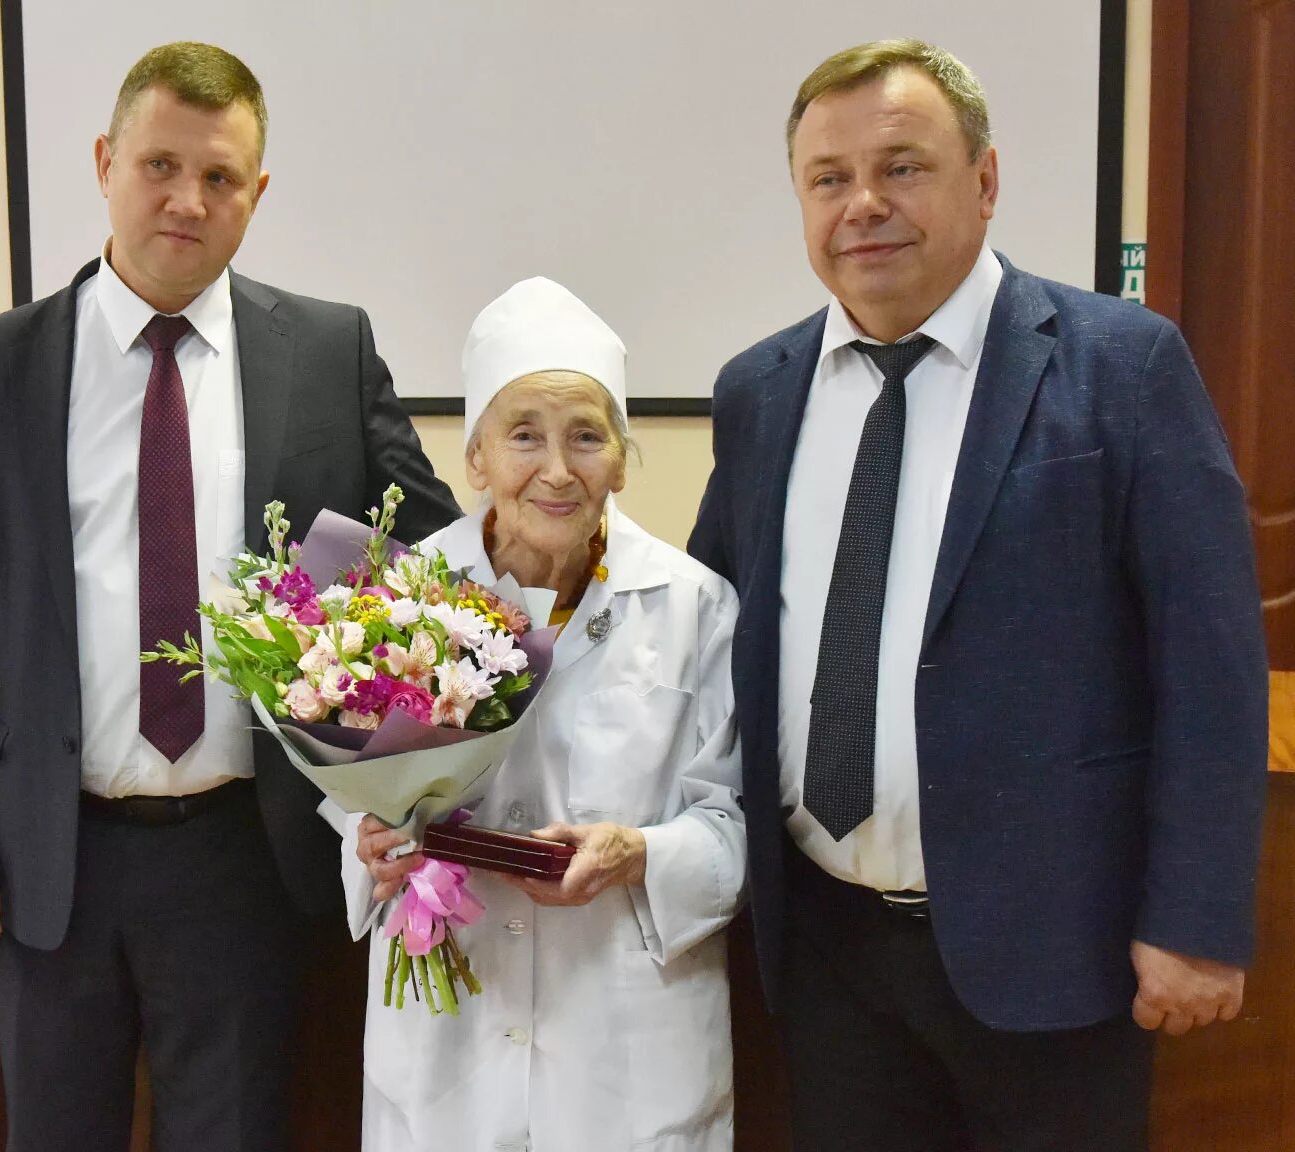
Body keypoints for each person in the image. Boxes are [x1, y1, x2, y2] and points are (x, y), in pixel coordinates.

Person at [687, 39, 1269, 1150]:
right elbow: (702, 637)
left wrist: (1194, 920)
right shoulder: (757, 392)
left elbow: (1211, 669)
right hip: (826, 953)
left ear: (986, 181)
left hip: (1057, 955)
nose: (863, 204)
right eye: (829, 178)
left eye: (902, 167)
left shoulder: (1123, 369)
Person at [0, 41, 458, 1152]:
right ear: (106, 162)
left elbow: (428, 559)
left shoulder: (325, 350)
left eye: (219, 177)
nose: (187, 201)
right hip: (50, 854)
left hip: (245, 854)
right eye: (160, 165)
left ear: (258, 192)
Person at [348, 277, 745, 1150]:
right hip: (450, 1036)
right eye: (524, 435)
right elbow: (353, 804)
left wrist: (640, 853)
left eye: (587, 437)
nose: (558, 471)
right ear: (476, 457)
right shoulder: (398, 597)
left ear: (622, 458)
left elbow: (733, 829)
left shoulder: (696, 606)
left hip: (627, 1048)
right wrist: (369, 849)